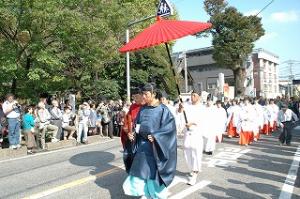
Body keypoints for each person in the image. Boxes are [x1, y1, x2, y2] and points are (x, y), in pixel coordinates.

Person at [123, 83, 177, 199]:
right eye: (142, 94)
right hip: (142, 146)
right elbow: (137, 125)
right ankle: (146, 194)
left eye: (146, 94)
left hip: (156, 148)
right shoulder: (143, 109)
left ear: (153, 94)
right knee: (140, 173)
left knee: (153, 174)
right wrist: (132, 134)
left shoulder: (163, 110)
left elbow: (170, 130)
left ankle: (156, 196)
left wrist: (157, 136)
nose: (143, 97)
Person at [178, 91, 205, 185]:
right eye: (192, 95)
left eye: (195, 95)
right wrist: (180, 108)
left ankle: (195, 173)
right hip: (187, 132)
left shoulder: (202, 107)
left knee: (196, 153)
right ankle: (191, 169)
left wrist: (192, 123)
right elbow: (179, 113)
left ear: (199, 97)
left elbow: (202, 120)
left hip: (196, 133)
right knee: (186, 151)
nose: (192, 97)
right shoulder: (186, 105)